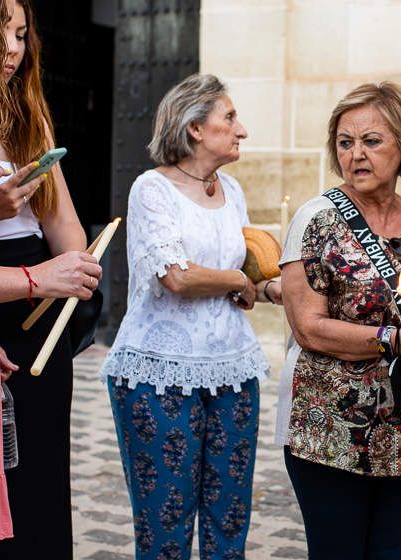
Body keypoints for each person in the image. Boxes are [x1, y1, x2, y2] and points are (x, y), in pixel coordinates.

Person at [279, 82, 401, 560]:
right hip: (333, 437)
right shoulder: (316, 221)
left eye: (371, 141)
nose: (356, 155)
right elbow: (308, 327)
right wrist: (397, 341)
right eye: (345, 143)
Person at [100, 74, 278, 560]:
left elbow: (236, 268)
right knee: (166, 522)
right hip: (159, 373)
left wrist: (264, 286)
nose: (242, 130)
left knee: (230, 517)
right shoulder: (151, 190)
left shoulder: (233, 189)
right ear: (195, 127)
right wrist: (239, 283)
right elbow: (176, 276)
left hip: (232, 369)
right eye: (230, 117)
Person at [0, 0, 101, 545]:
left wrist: (71, 270)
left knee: (41, 468)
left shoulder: (30, 115)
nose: (13, 48)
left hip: (41, 303)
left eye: (22, 34)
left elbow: (65, 223)